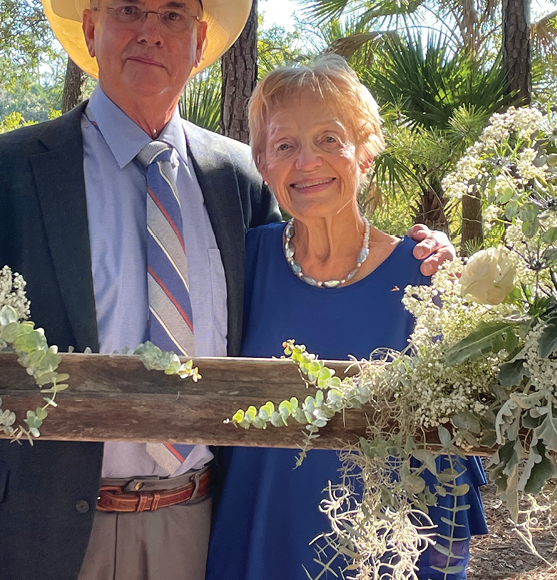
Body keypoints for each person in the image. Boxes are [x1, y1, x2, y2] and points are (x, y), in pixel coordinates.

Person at [0, 0, 453, 580]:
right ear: (91, 29)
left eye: (173, 16)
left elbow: (324, 268)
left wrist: (429, 255)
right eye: (129, 8)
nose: (150, 31)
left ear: (199, 43)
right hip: (40, 538)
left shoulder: (244, 180)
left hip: (201, 532)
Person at [206, 56, 487, 580]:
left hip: (377, 557)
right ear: (263, 164)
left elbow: (452, 467)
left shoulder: (425, 277)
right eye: (285, 145)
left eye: (330, 139)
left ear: (366, 153)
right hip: (251, 542)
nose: (307, 161)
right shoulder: (240, 263)